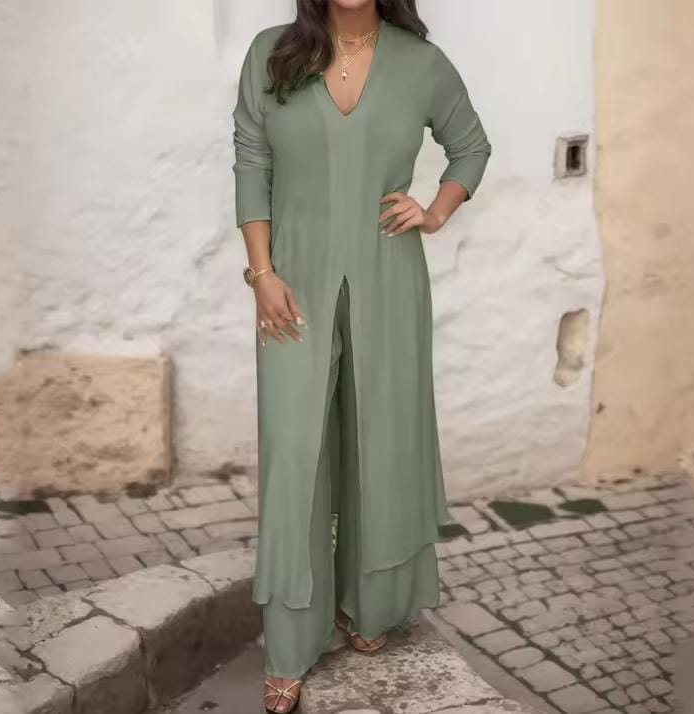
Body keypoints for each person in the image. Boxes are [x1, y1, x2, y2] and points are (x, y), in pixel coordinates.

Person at [232, 1, 491, 711]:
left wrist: (433, 212)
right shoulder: (272, 53)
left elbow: (471, 147)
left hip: (389, 280)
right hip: (292, 285)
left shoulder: (421, 63)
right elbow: (252, 162)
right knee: (294, 453)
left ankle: (369, 604)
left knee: (380, 440)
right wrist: (262, 274)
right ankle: (291, 644)